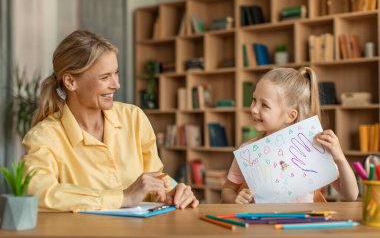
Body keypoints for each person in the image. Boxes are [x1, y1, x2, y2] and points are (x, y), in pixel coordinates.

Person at [23, 30, 199, 212]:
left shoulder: (134, 118)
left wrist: (171, 192)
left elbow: (155, 179)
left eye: (116, 73)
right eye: (105, 77)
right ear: (70, 82)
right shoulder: (44, 136)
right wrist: (123, 197)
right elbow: (38, 193)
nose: (116, 84)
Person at [221, 67, 359, 204]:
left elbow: (351, 194)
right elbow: (228, 189)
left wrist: (339, 158)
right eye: (254, 100)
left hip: (304, 224)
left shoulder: (312, 147)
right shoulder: (248, 151)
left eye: (264, 105)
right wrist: (235, 200)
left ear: (290, 115)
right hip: (262, 223)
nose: (254, 109)